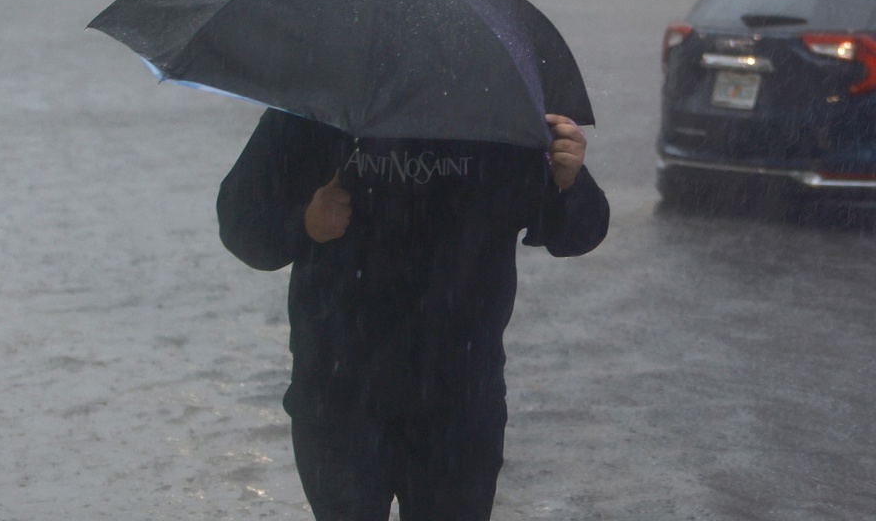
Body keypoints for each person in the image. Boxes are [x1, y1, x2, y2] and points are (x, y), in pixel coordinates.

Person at [216, 108, 609, 521]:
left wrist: (570, 182)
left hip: (458, 401)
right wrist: (306, 223)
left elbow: (577, 234)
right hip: (338, 398)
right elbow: (241, 220)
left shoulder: (498, 116)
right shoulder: (314, 109)